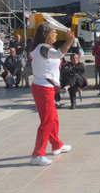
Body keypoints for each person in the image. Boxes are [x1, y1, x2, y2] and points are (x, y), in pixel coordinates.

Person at [29, 24, 75, 166]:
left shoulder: (44, 48)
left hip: (45, 87)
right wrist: (69, 41)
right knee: (47, 121)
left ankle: (56, 145)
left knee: (53, 119)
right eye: (54, 32)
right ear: (46, 34)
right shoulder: (43, 48)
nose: (56, 35)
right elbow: (59, 54)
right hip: (43, 88)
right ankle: (37, 154)